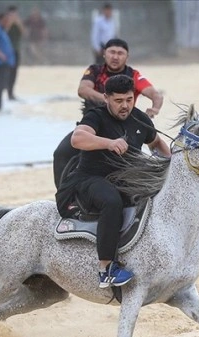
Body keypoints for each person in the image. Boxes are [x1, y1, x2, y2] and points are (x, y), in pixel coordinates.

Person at [55, 75, 171, 288]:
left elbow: (156, 144)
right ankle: (106, 268)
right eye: (119, 101)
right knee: (112, 201)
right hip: (89, 180)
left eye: (129, 99)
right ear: (107, 98)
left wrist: (172, 165)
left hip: (125, 180)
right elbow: (77, 138)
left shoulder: (138, 119)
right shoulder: (96, 116)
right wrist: (108, 143)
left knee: (154, 196)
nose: (125, 106)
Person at [53, 38, 164, 188]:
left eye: (120, 53)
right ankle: (63, 192)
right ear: (104, 54)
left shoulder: (134, 75)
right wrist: (108, 100)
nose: (115, 57)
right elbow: (83, 89)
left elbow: (156, 95)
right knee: (61, 153)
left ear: (127, 57)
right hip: (93, 125)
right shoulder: (94, 70)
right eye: (112, 52)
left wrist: (155, 109)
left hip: (124, 126)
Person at [4, 5, 23, 101]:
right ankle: (5, 89)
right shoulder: (5, 22)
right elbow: (4, 33)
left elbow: (23, 32)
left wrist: (18, 22)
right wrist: (10, 23)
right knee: (7, 71)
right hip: (7, 51)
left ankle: (10, 92)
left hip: (16, 50)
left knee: (14, 72)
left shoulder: (18, 22)